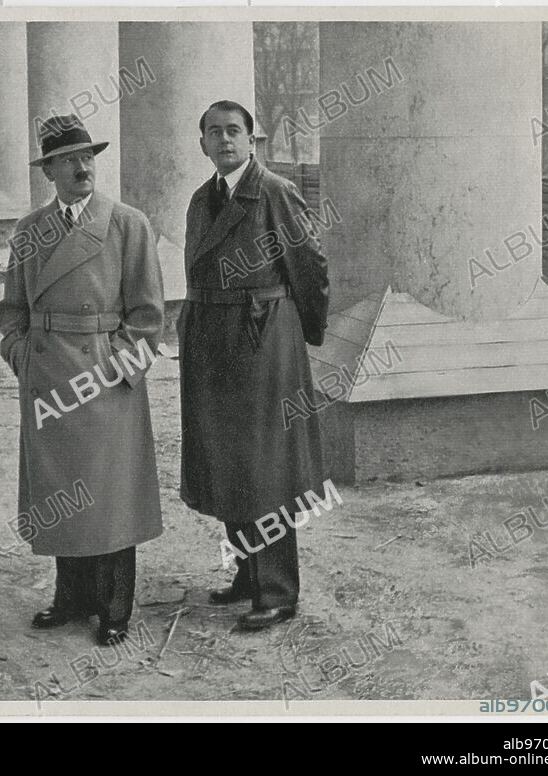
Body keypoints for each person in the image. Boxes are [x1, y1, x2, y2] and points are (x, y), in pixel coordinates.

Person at [0, 115, 165, 646]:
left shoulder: (126, 223)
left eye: (88, 156)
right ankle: (70, 597)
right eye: (68, 158)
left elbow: (147, 314)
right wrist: (20, 352)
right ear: (49, 170)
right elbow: (12, 308)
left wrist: (117, 364)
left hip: (104, 379)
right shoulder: (28, 230)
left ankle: (114, 606)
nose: (81, 166)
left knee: (109, 495)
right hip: (47, 374)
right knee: (60, 490)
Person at [179, 100, 329, 631]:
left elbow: (308, 264)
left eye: (234, 131)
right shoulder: (202, 199)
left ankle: (277, 590)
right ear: (202, 143)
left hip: (263, 338)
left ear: (252, 140)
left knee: (266, 467)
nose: (224, 141)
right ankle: (245, 572)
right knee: (228, 460)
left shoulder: (274, 191)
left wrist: (299, 333)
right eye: (214, 132)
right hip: (212, 341)